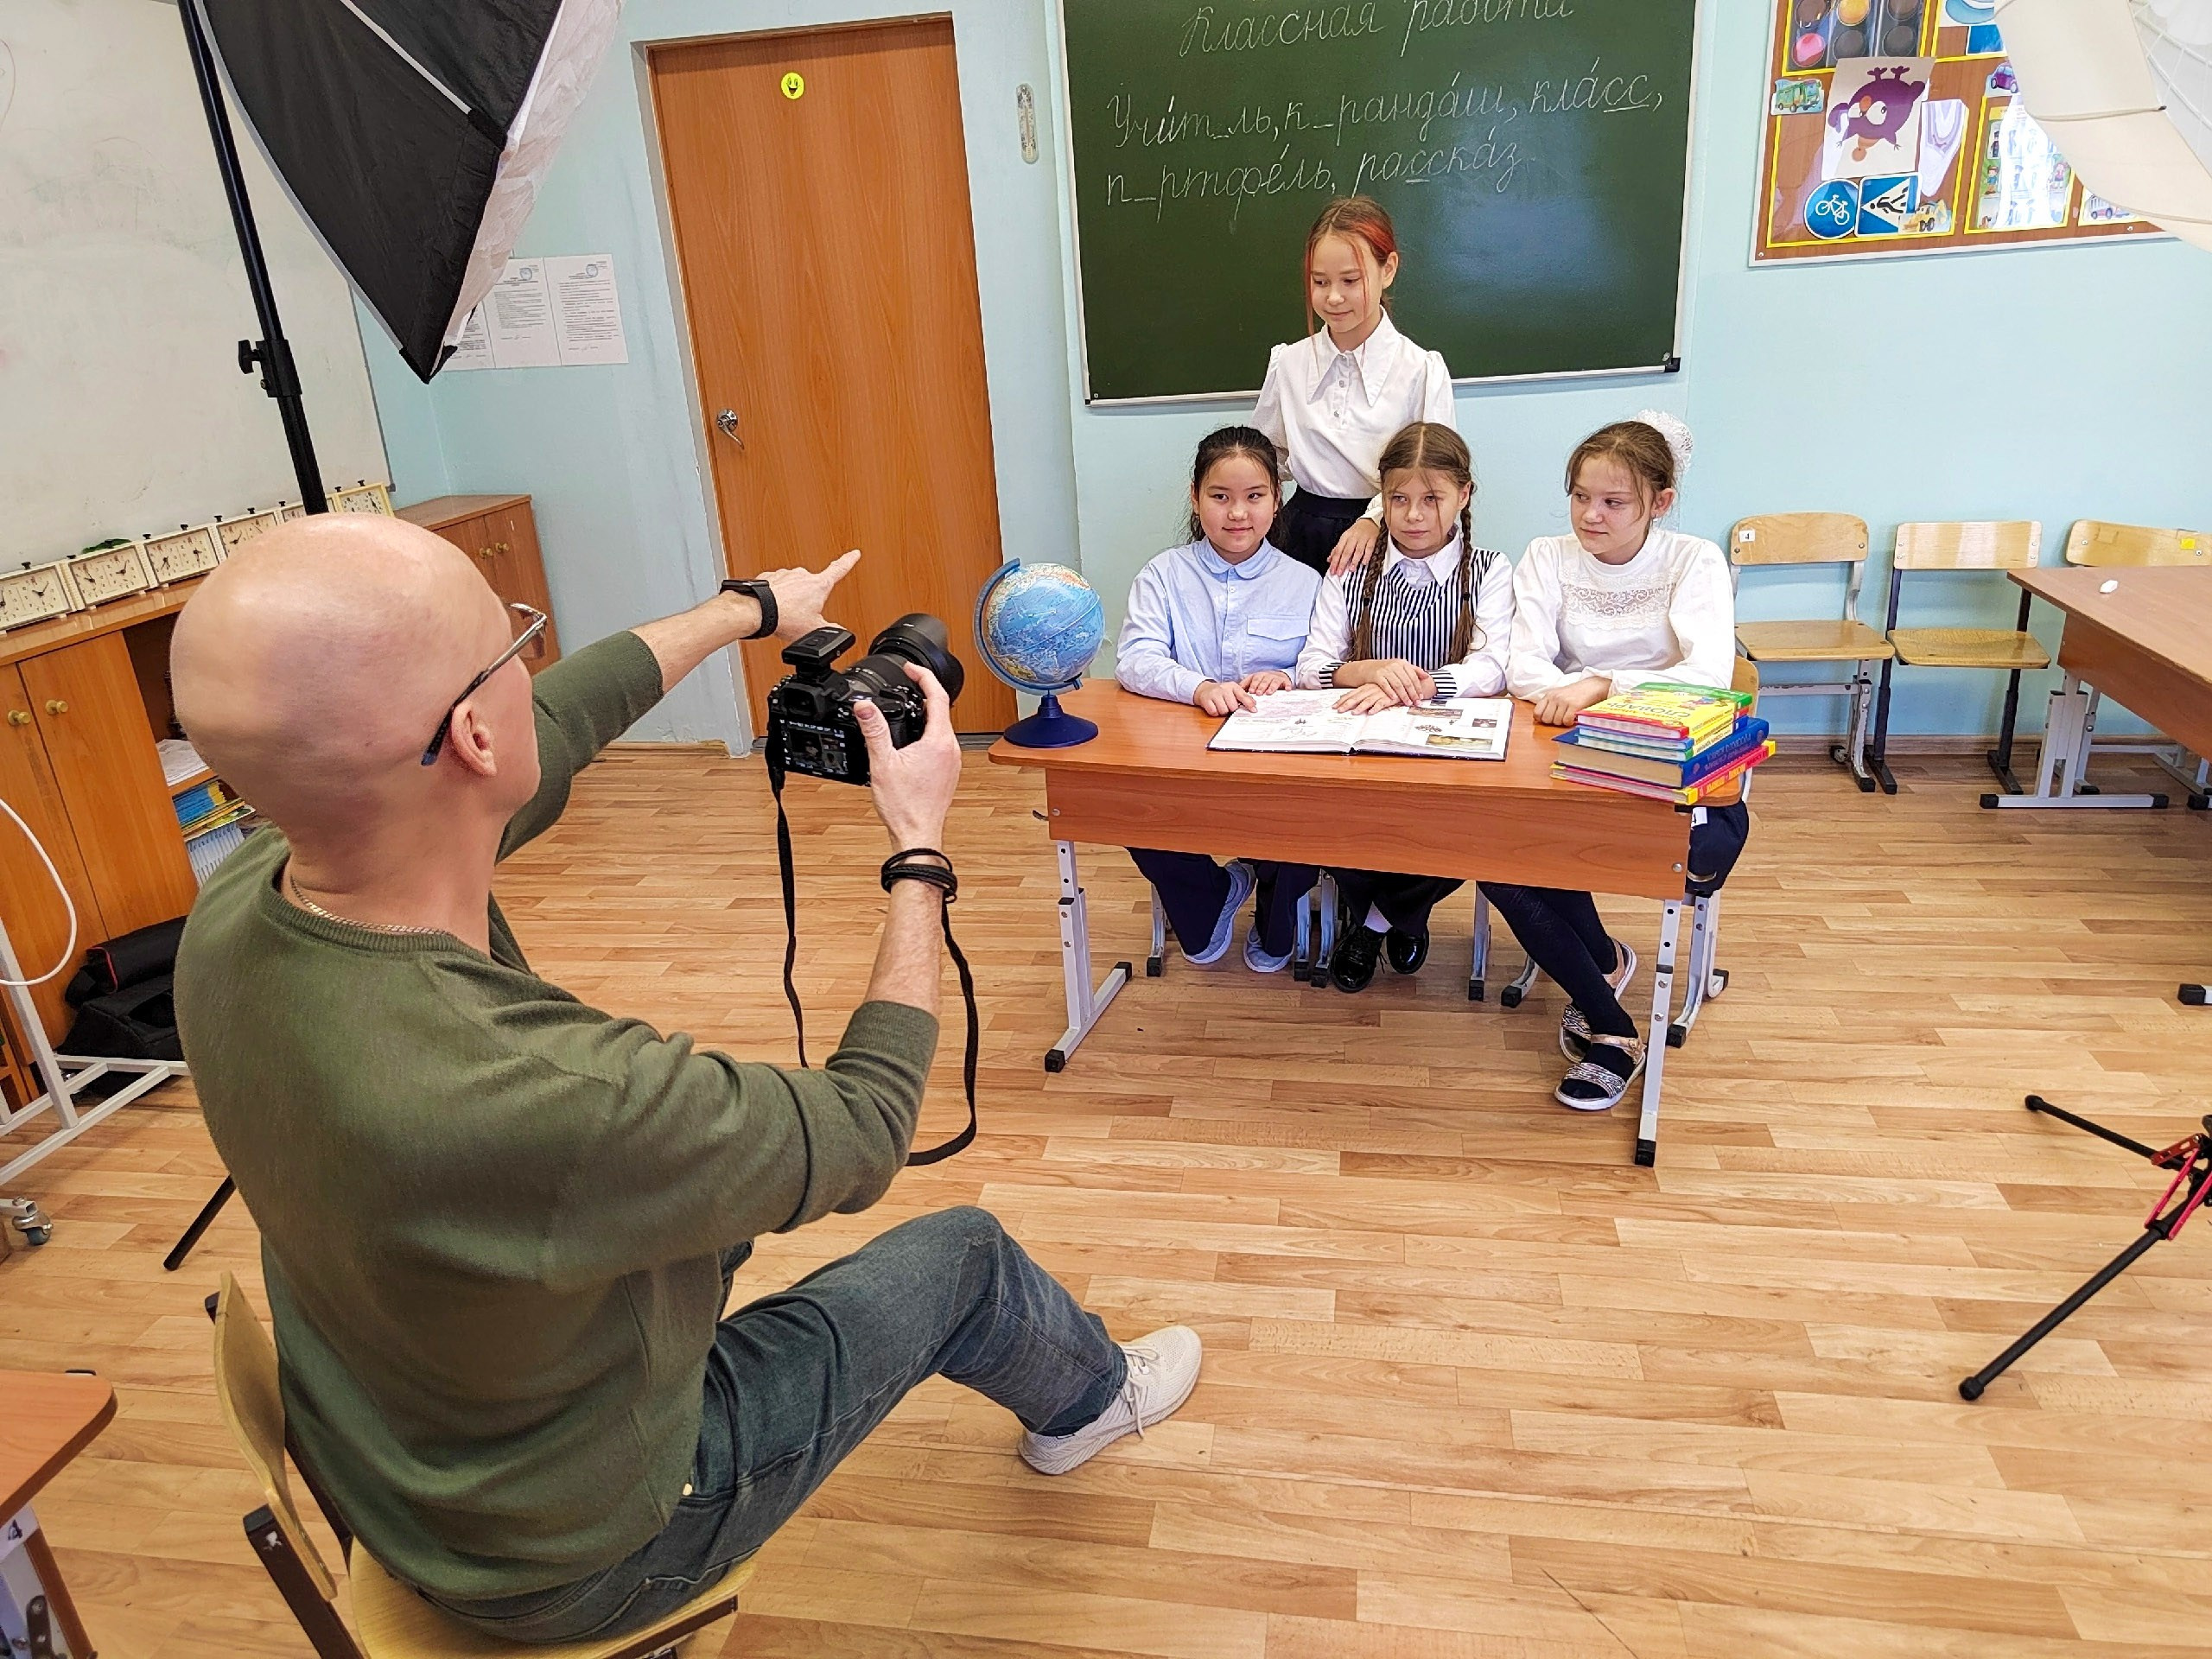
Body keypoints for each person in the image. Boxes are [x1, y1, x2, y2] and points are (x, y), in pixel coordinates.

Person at [169, 516, 1201, 1643]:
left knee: (716, 1212)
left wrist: (748, 610)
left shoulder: (239, 910)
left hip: (400, 1460)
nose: (535, 674)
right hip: (576, 1553)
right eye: (514, 650)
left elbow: (566, 715)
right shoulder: (546, 1096)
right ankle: (1093, 1401)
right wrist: (918, 848)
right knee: (964, 1258)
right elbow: (863, 1128)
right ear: (470, 733)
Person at [1482, 412, 1747, 1113]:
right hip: (1568, 763)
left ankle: (1601, 972)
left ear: (1660, 502)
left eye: (1612, 501)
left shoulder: (1694, 561)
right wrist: (1567, 695)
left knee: (1664, 852)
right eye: (1579, 496)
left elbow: (1710, 674)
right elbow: (1523, 665)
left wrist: (1598, 686)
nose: (1589, 515)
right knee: (1501, 862)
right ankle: (1610, 1016)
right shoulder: (1547, 555)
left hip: (1671, 770)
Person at [1294, 422, 1513, 994]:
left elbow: (1493, 668)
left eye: (1432, 499)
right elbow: (1309, 667)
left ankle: (1373, 922)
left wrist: (1416, 685)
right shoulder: (1349, 571)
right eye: (1399, 499)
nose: (1414, 515)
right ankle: (1403, 914)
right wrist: (1362, 671)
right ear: (1381, 499)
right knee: (1331, 820)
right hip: (1359, 750)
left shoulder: (1490, 570)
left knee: (1463, 831)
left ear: (1464, 496)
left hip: (1447, 754)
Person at [1116, 425, 1322, 972]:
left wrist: (1288, 678)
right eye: (1220, 497)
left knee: (1314, 818)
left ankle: (1278, 926)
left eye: (1255, 497)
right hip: (1183, 761)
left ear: (1277, 501)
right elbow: (1135, 657)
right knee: (1127, 810)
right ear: (1195, 498)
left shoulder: (1306, 583)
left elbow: (1323, 664)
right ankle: (1213, 896)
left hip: (1278, 763)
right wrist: (1198, 686)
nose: (1238, 514)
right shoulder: (1163, 575)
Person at [1252, 196, 1458, 578]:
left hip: (1388, 533)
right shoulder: (1289, 363)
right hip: (1300, 534)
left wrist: (1374, 520)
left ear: (1388, 269)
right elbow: (1268, 457)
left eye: (1350, 280)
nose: (1333, 296)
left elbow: (1434, 471)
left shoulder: (1421, 370)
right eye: (1320, 281)